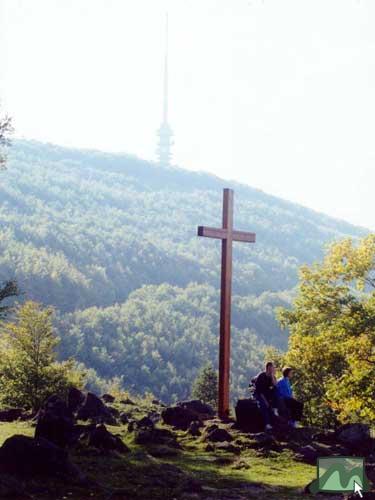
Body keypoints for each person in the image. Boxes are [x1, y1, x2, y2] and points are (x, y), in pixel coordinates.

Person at [254, 361, 279, 431]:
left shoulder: (272, 377)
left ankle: (275, 409)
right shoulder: (261, 376)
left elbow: (276, 386)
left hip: (268, 395)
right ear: (269, 368)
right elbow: (260, 391)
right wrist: (266, 401)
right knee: (264, 406)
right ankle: (267, 424)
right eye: (273, 367)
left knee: (276, 393)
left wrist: (272, 376)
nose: (274, 369)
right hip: (260, 395)